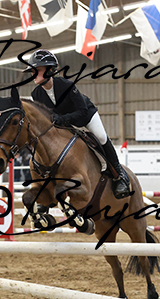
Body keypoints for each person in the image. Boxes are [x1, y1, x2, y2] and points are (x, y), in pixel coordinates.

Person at [25, 49, 131, 199]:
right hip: (64, 124)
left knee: (101, 137)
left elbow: (81, 111)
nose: (33, 74)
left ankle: (119, 175)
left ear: (49, 70)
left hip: (85, 116)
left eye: (36, 70)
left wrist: (62, 119)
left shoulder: (66, 85)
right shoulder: (36, 94)